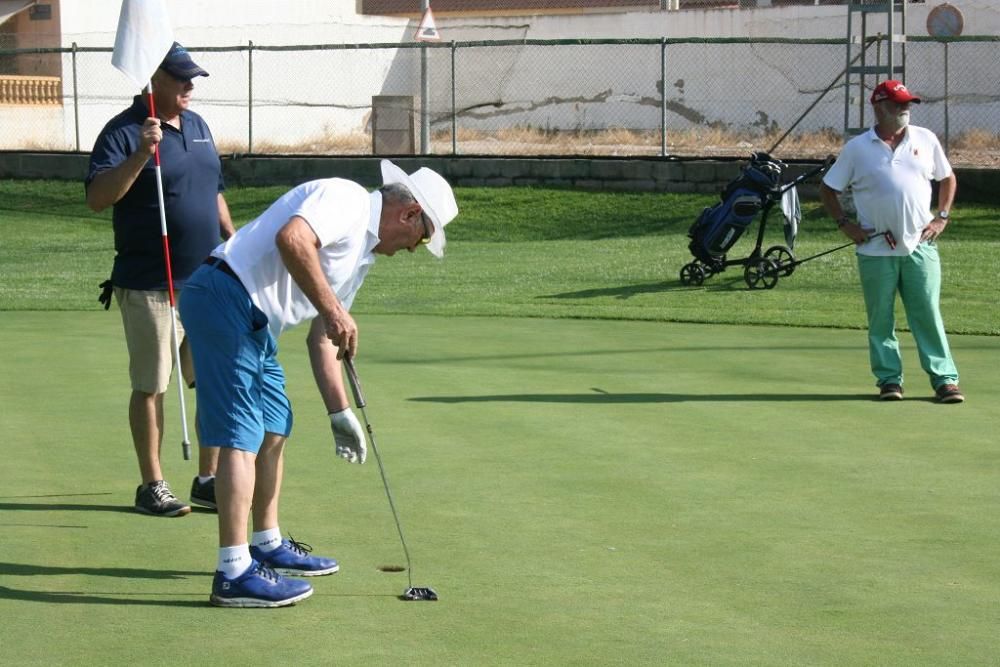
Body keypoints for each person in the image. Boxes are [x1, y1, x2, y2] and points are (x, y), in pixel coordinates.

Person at [177, 159, 458, 608]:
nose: (412, 249)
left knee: (274, 426)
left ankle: (265, 543)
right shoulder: (345, 198)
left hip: (255, 323)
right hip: (224, 295)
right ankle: (232, 573)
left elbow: (322, 339)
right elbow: (292, 240)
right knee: (241, 435)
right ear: (408, 214)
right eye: (421, 238)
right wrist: (332, 310)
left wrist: (339, 412)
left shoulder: (360, 259)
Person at [86, 42, 236, 517]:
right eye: (180, 77)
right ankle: (152, 484)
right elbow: (97, 198)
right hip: (152, 281)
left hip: (207, 281)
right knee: (152, 384)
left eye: (193, 77)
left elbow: (213, 191)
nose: (191, 85)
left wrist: (233, 245)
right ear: (153, 80)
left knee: (215, 379)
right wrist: (139, 154)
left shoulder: (198, 126)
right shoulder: (123, 131)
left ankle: (208, 480)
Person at [820, 80, 963, 404]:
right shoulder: (858, 148)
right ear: (879, 106)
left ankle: (945, 381)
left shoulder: (925, 139)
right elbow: (829, 189)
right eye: (898, 104)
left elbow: (947, 178)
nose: (905, 109)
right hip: (874, 248)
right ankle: (889, 380)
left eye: (907, 103)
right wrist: (845, 224)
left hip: (920, 245)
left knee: (927, 313)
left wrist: (942, 216)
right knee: (881, 317)